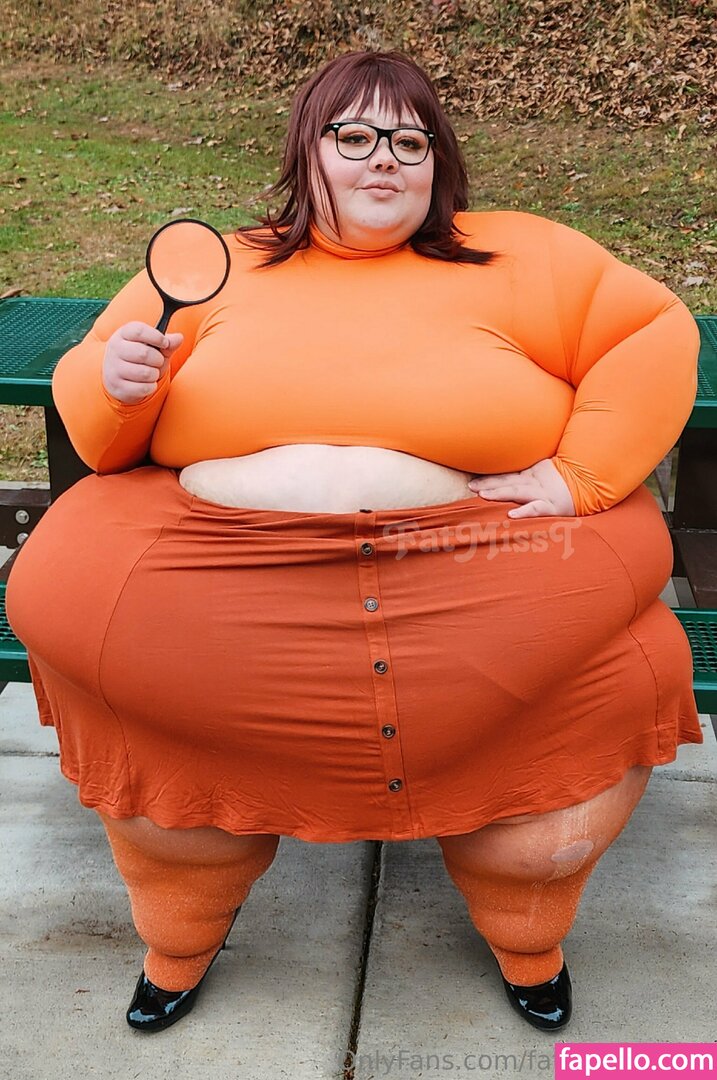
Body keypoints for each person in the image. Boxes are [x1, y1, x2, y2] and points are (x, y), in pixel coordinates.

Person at [6, 50, 703, 1036]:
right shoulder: (223, 267)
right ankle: (178, 939)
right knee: (173, 821)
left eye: (411, 142)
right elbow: (103, 434)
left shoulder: (522, 256)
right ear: (309, 151)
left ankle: (528, 937)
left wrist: (580, 475)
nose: (386, 159)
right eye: (357, 136)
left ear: (439, 163)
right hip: (220, 581)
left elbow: (652, 331)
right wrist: (114, 382)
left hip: (473, 574)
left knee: (536, 834)